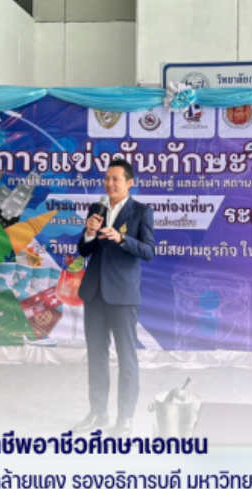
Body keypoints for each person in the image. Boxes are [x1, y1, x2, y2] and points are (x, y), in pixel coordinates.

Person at [72, 159, 155, 438]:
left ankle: (125, 417)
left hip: (123, 294)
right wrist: (89, 233)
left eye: (115, 179)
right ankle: (98, 412)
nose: (109, 184)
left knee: (126, 357)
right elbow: (84, 251)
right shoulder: (97, 209)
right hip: (94, 292)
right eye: (107, 178)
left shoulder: (141, 212)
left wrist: (121, 239)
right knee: (96, 356)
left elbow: (148, 251)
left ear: (129, 183)